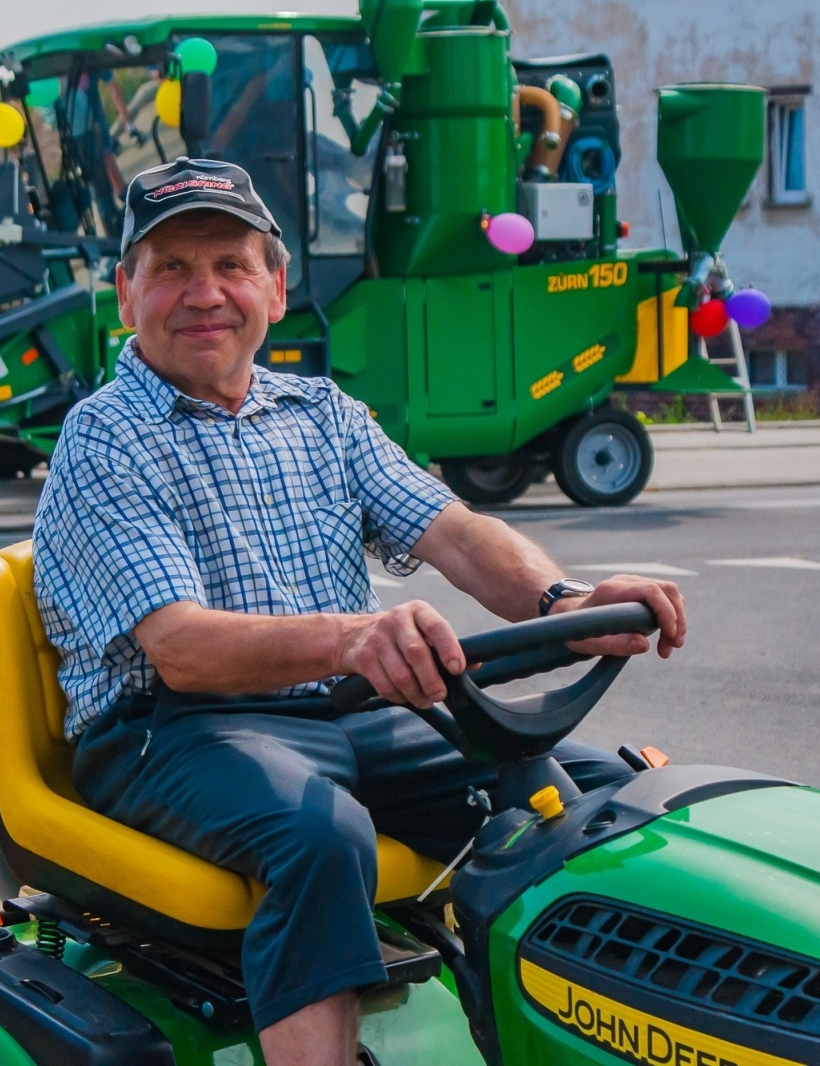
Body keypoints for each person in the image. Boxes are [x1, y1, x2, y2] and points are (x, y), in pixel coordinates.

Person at [33, 158, 686, 1066]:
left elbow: (455, 532)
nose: (205, 293)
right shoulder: (106, 436)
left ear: (276, 283)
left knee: (586, 799)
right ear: (126, 291)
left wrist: (568, 603)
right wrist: (356, 638)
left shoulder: (321, 413)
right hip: (170, 733)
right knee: (318, 833)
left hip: (347, 713)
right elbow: (179, 651)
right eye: (172, 268)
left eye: (230, 264)